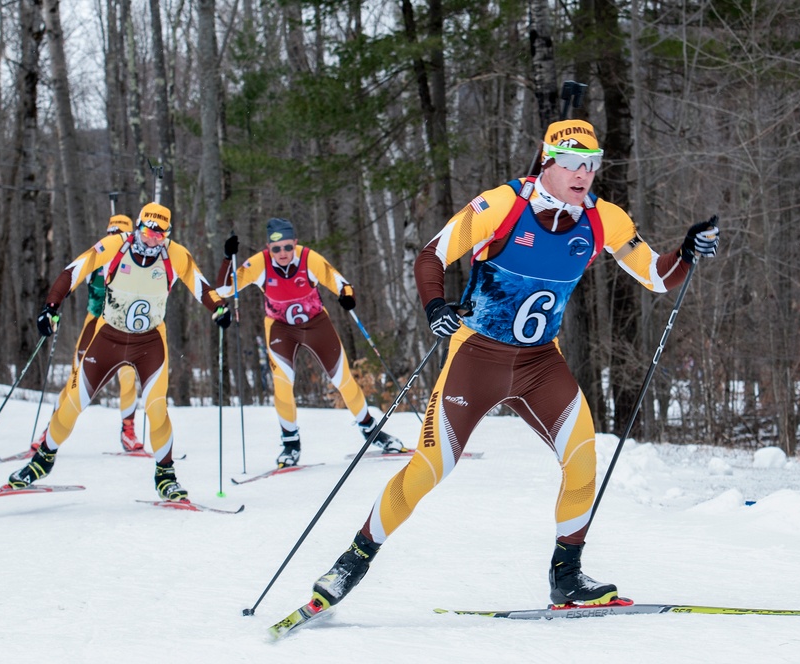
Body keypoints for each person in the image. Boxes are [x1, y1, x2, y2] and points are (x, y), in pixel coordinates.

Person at [300, 119, 720, 613]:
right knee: (431, 466)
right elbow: (431, 256)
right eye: (571, 164)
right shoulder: (502, 205)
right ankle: (353, 559)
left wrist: (686, 253)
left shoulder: (604, 219)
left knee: (583, 460)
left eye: (591, 164)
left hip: (541, 362)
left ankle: (567, 575)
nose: (583, 174)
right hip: (476, 355)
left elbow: (654, 275)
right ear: (548, 163)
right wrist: (436, 307)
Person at [8, 202, 232, 500]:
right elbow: (74, 271)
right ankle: (42, 460)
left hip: (150, 342)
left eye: (160, 234)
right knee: (73, 402)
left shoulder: (174, 254)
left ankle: (166, 474)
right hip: (109, 336)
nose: (153, 239)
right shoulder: (116, 244)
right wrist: (51, 306)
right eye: (149, 231)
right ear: (138, 227)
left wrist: (218, 308)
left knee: (157, 408)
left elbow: (201, 286)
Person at [218, 218, 408, 469]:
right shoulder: (259, 263)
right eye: (276, 249)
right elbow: (223, 290)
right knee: (283, 385)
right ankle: (290, 443)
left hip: (316, 323)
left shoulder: (309, 258)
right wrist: (226, 258)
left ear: (295, 243)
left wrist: (347, 297)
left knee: (343, 379)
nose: (282, 254)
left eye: (287, 247)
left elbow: (340, 282)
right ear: (268, 248)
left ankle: (371, 430)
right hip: (280, 328)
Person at [29, 214, 144, 455]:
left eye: (120, 235)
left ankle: (128, 430)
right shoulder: (97, 256)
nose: (116, 240)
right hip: (94, 325)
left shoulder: (137, 261)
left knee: (127, 377)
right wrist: (54, 307)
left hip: (122, 328)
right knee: (75, 378)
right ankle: (50, 430)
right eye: (112, 234)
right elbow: (73, 276)